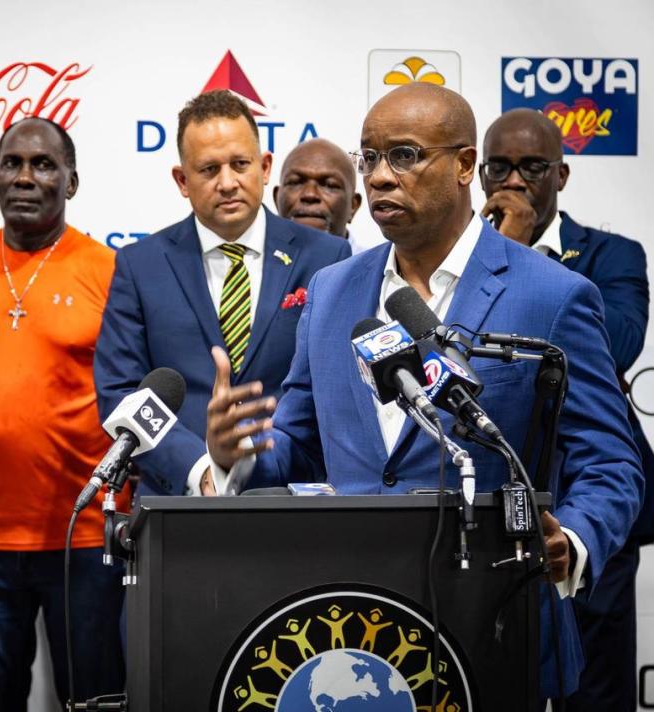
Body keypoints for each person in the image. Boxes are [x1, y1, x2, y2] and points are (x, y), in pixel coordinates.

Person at [202, 83, 643, 700]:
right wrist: (237, 454)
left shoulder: (553, 295)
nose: (381, 177)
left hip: (495, 622)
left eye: (404, 156)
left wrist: (571, 537)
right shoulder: (330, 293)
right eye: (370, 158)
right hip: (350, 630)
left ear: (465, 166)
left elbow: (610, 459)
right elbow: (299, 444)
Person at [0, 117, 125, 711]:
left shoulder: (110, 272)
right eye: (12, 163)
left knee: (91, 702)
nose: (25, 177)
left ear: (72, 181)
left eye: (43, 165)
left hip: (83, 537)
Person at [94, 90, 350, 497]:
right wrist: (201, 470)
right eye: (209, 169)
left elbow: (338, 390)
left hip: (294, 504)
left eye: (240, 164)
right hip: (178, 508)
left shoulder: (327, 257)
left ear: (265, 168)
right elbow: (121, 392)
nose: (227, 183)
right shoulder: (139, 266)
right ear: (182, 180)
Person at [481, 107, 653, 710]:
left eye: (533, 167)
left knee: (597, 691)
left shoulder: (613, 254)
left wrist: (521, 254)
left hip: (589, 500)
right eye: (498, 167)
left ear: (563, 173)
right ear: (477, 174)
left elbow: (618, 345)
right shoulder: (454, 255)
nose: (515, 181)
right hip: (491, 508)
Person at [273, 138, 363, 252]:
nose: (310, 194)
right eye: (295, 182)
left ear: (353, 205)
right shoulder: (250, 266)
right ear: (277, 199)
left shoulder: (380, 268)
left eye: (329, 185)